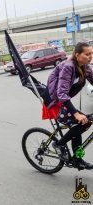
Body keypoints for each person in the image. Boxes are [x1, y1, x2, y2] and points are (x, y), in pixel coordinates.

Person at [46, 42, 93, 170]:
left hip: (64, 101)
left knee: (81, 124)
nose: (90, 57)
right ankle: (58, 144)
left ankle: (77, 160)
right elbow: (61, 94)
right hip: (55, 102)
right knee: (84, 121)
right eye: (87, 54)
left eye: (91, 54)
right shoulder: (68, 66)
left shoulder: (86, 67)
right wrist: (76, 113)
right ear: (77, 55)